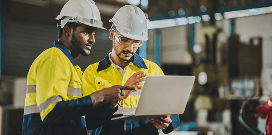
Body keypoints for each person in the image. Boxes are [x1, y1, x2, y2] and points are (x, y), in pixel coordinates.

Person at [22, 0, 134, 135]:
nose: (93, 39)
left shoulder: (70, 66)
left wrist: (113, 101)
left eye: (94, 33)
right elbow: (51, 112)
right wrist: (101, 95)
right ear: (68, 30)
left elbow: (82, 121)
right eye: (86, 32)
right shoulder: (54, 58)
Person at [82, 5, 180, 135]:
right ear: (112, 34)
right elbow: (88, 121)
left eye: (136, 41)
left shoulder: (152, 70)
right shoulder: (92, 73)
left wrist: (167, 121)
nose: (129, 47)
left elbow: (174, 115)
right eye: (124, 39)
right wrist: (118, 97)